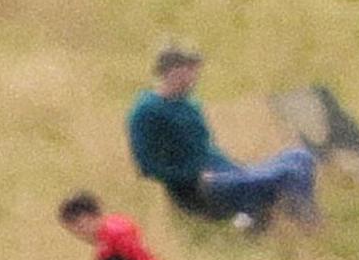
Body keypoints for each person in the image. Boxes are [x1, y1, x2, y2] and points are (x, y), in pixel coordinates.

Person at [127, 46, 319, 229]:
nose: (195, 77)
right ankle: (306, 228)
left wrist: (236, 169)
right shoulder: (147, 111)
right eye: (190, 71)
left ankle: (258, 219)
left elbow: (205, 148)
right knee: (290, 174)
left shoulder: (189, 103)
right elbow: (147, 167)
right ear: (173, 71)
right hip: (200, 189)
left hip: (228, 173)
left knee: (301, 156)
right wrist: (193, 176)